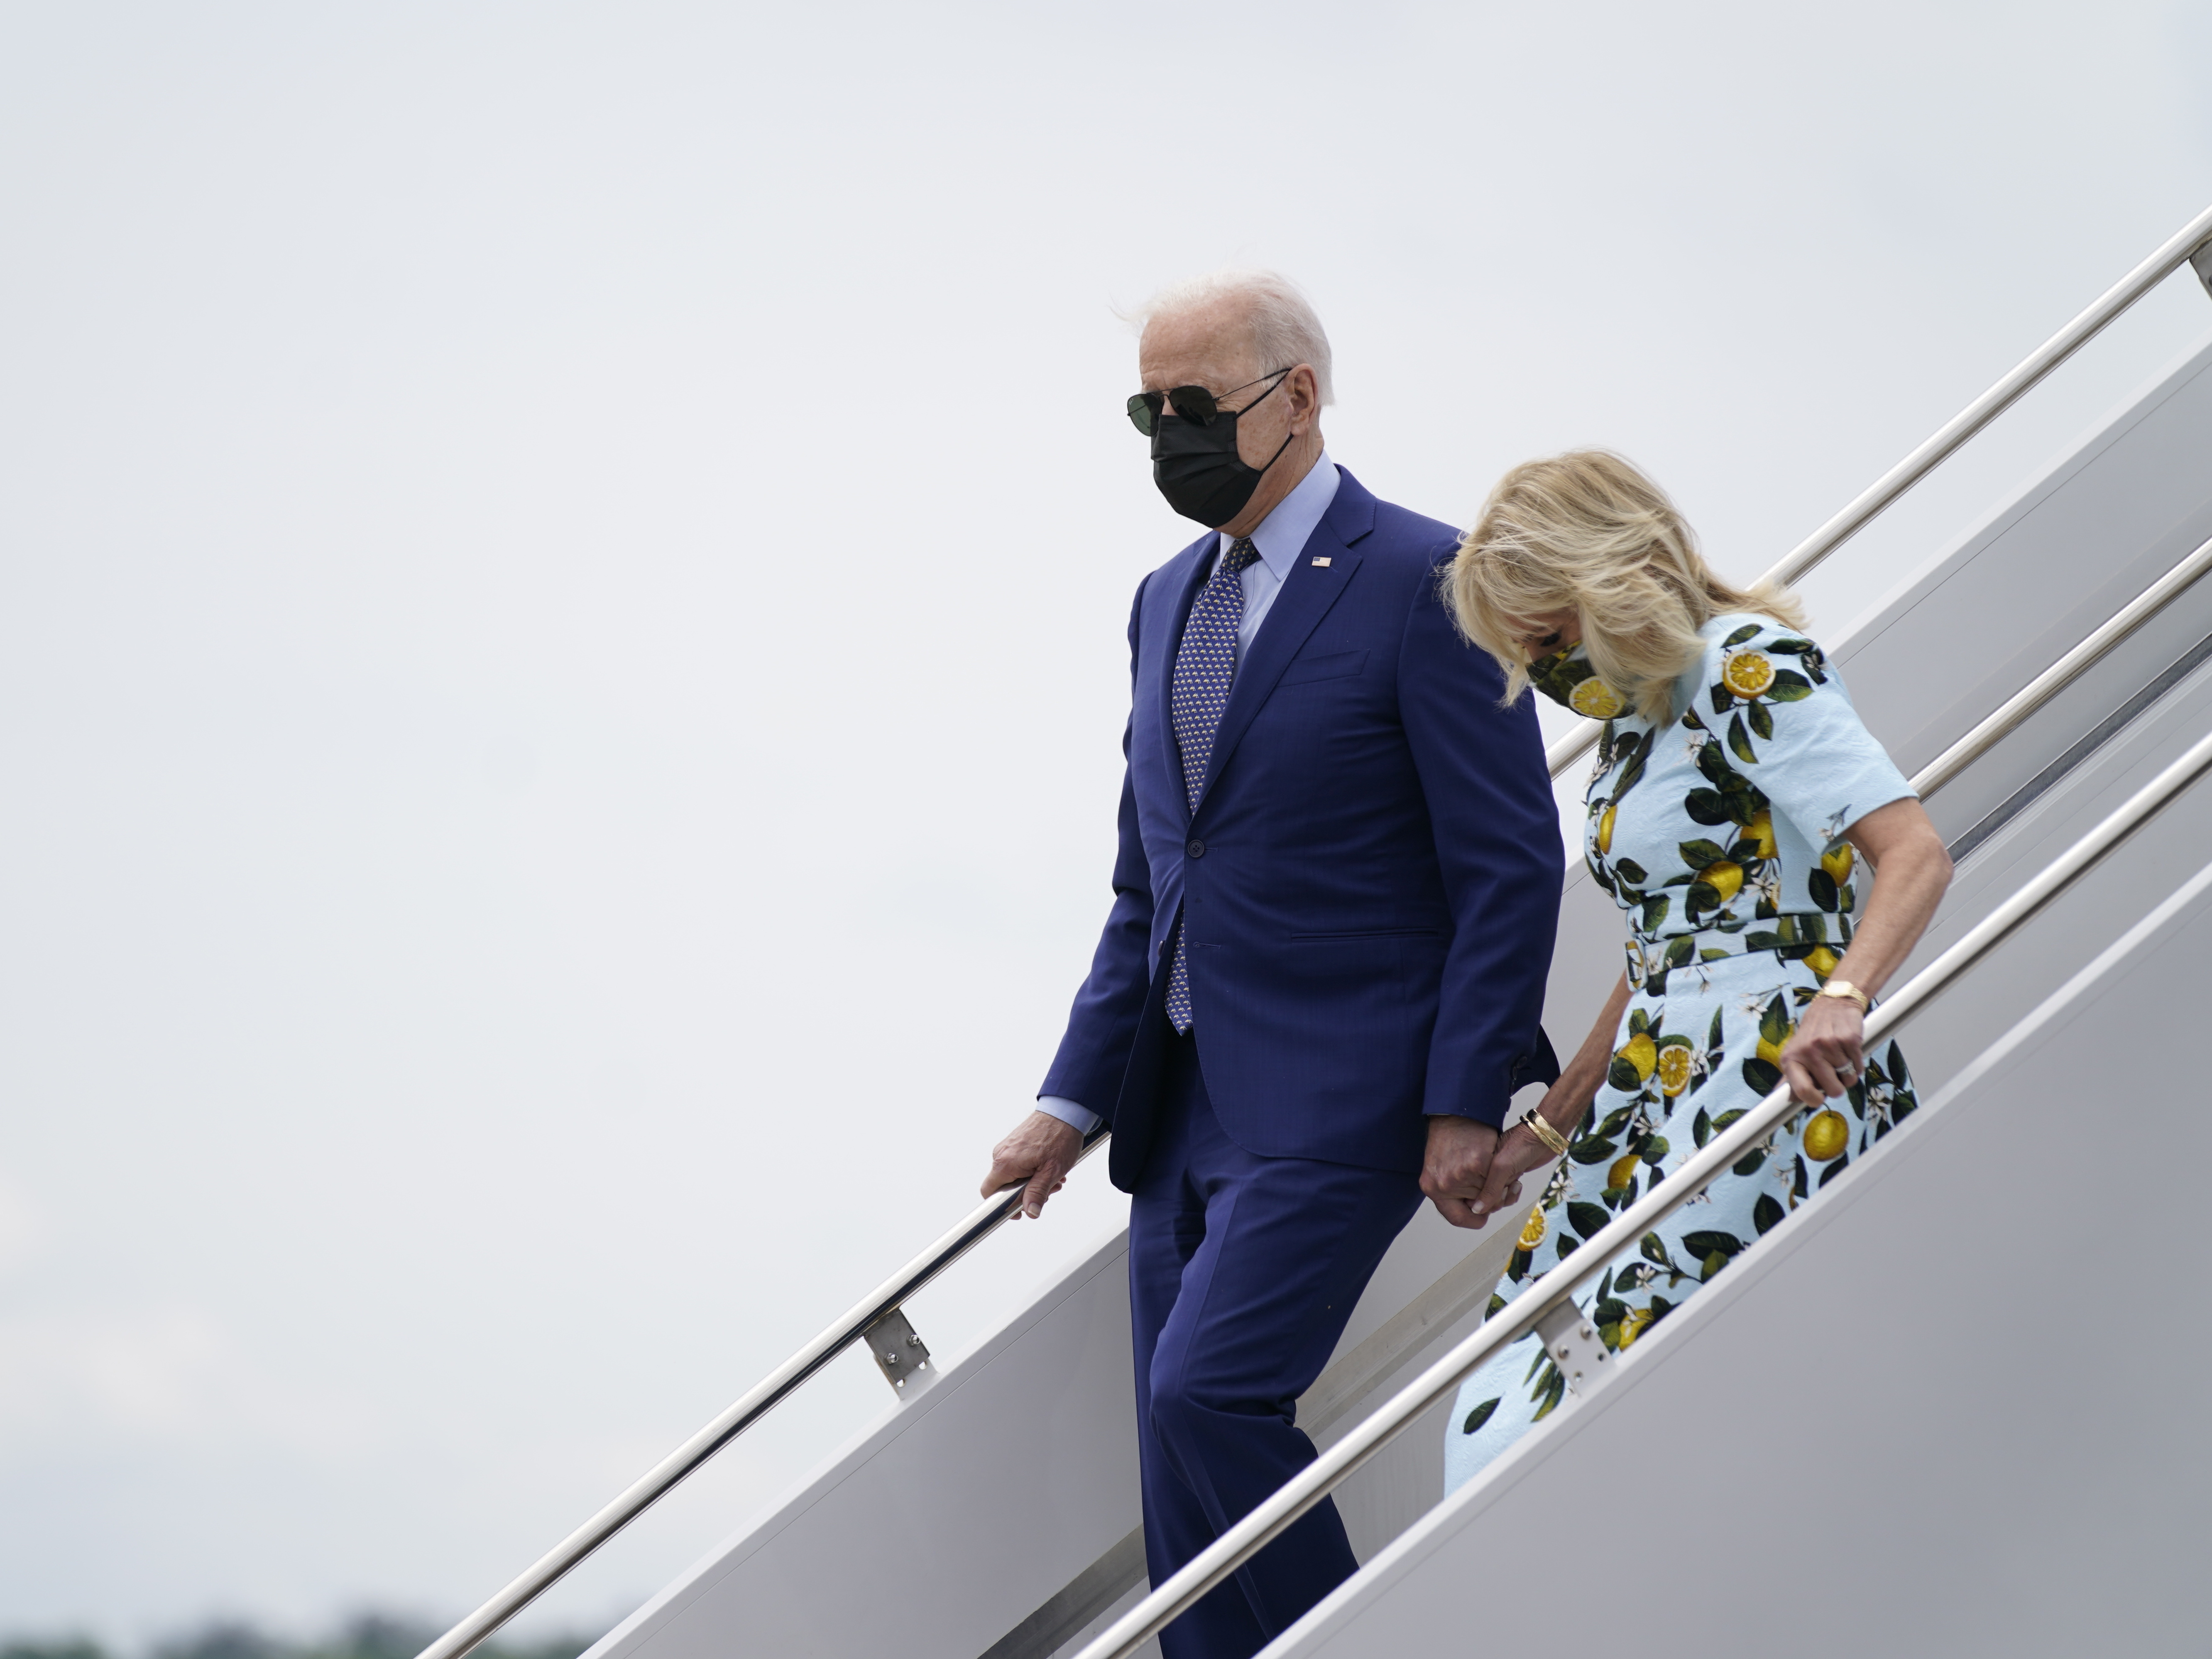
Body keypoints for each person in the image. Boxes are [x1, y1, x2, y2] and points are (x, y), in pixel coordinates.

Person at [977, 271, 1563, 1659]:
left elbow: (1507, 864)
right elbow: (1151, 882)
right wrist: (1072, 1097)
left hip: (1344, 1099)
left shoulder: (1428, 580)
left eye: (1196, 406)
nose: (1167, 434)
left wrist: (1463, 1097)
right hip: (1177, 1104)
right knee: (1177, 1501)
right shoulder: (1160, 599)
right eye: (1147, 409)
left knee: (1208, 1399)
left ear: (1296, 396)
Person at [1438, 449, 1954, 1492]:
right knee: (1505, 1392)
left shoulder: (1748, 663)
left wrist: (1842, 998)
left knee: (1621, 1388)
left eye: (1547, 637)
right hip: (1656, 1086)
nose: (1541, 670)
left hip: (1769, 1066)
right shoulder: (1635, 725)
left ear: (1607, 575)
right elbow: (1657, 950)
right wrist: (1545, 1131)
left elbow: (1913, 853)